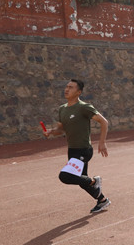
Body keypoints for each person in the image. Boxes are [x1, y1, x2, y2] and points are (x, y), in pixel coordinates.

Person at [44, 79, 111, 213]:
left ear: (79, 92)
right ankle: (103, 201)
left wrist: (102, 142)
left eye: (71, 87)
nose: (67, 89)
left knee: (65, 176)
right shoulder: (62, 109)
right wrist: (51, 132)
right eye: (66, 86)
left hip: (84, 150)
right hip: (72, 150)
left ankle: (94, 181)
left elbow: (104, 122)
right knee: (81, 180)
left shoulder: (84, 107)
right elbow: (61, 129)